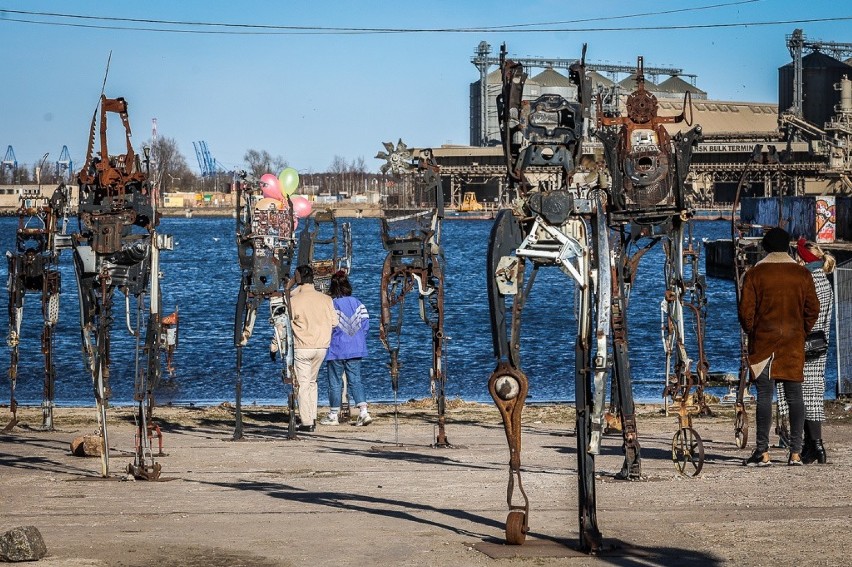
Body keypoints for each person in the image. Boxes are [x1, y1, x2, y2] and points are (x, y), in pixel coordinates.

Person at [738, 226, 820, 466]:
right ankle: (795, 452)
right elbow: (812, 309)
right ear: (787, 247)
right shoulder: (801, 275)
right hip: (793, 343)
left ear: (765, 247)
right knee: (795, 397)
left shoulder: (755, 274)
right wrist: (801, 331)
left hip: (764, 342)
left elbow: (746, 313)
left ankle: (762, 452)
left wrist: (753, 330)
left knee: (765, 395)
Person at [776, 238, 835, 464]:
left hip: (804, 343)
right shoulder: (823, 278)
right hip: (820, 344)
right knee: (813, 395)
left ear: (802, 258)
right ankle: (815, 446)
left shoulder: (808, 280)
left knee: (801, 395)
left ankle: (813, 446)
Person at [319, 271, 373, 427]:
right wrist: (359, 339)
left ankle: (333, 414)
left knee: (335, 382)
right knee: (356, 380)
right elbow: (365, 325)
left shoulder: (331, 304)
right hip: (356, 347)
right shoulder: (358, 303)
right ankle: (363, 412)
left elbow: (327, 325)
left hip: (336, 348)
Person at [289, 265, 339, 432]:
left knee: (303, 385)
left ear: (298, 278)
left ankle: (306, 422)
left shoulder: (294, 300)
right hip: (321, 347)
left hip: (302, 346)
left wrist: (291, 286)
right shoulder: (326, 299)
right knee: (312, 383)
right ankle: (312, 417)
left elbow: (285, 322)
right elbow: (335, 322)